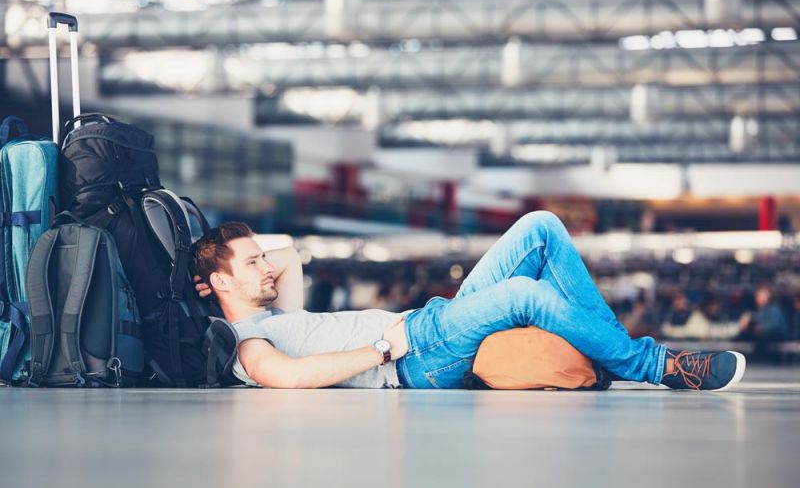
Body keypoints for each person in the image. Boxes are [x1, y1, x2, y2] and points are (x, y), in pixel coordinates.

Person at [192, 212, 746, 391]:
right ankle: (659, 366)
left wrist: (228, 264)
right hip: (413, 361)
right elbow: (286, 378)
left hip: (426, 324)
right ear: (221, 285)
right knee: (524, 293)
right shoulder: (247, 341)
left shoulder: (275, 309)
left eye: (258, 259)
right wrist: (386, 349)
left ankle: (605, 358)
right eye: (251, 264)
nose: (267, 267)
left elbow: (288, 253)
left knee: (540, 227)